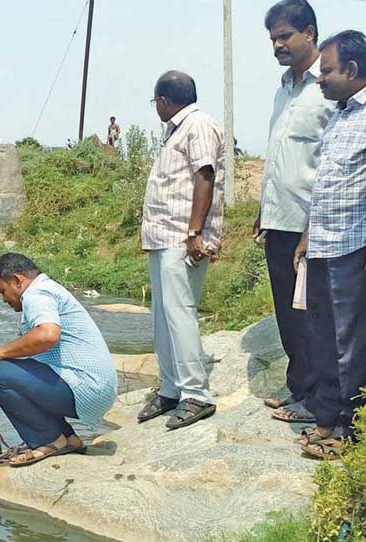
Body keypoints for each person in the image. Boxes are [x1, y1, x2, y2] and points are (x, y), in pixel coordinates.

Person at [294, 30, 366, 460]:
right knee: (323, 335)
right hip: (325, 243)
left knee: (350, 340)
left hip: (355, 245)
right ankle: (327, 417)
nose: (320, 79)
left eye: (326, 71)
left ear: (353, 70)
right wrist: (308, 234)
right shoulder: (341, 115)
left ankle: (349, 429)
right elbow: (326, 182)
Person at [256, 0, 334, 424]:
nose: (277, 46)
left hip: (314, 225)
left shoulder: (329, 85)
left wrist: (311, 226)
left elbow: (331, 161)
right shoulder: (283, 89)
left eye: (284, 36)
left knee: (315, 315)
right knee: (288, 313)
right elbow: (281, 156)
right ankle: (300, 388)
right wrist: (262, 209)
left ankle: (321, 400)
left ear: (309, 32)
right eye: (272, 39)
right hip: (278, 221)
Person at [0, 253, 118, 467]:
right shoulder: (47, 289)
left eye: (3, 291)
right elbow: (37, 364)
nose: (3, 299)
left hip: (85, 387)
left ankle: (48, 440)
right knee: (2, 372)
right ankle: (68, 438)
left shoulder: (36, 294)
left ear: (17, 280)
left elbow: (48, 335)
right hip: (95, 389)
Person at [137, 71, 225, 429]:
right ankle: (171, 388)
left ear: (162, 100)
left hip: (181, 237)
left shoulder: (198, 125)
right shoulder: (175, 129)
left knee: (180, 314)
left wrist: (195, 232)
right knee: (162, 316)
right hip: (163, 236)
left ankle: (196, 395)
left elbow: (205, 176)